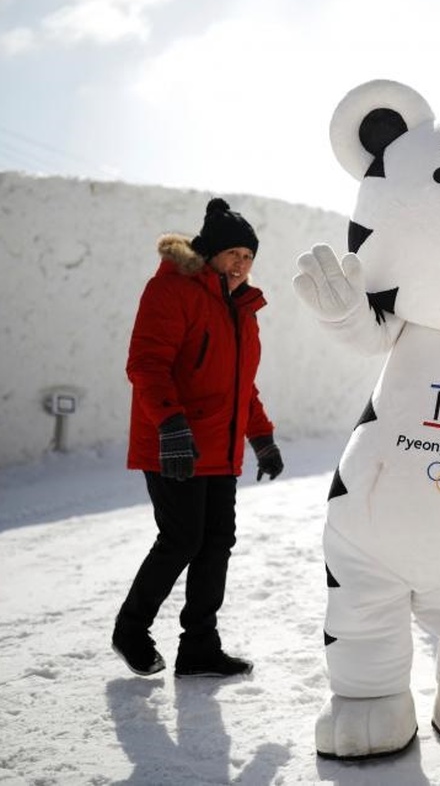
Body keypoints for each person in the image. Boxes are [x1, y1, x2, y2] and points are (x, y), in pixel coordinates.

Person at [112, 197, 285, 679]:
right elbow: (146, 364)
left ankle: (200, 648)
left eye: (249, 256)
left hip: (220, 448)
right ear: (208, 253)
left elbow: (240, 385)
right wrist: (170, 426)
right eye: (233, 253)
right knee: (181, 540)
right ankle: (130, 630)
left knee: (216, 543)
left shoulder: (242, 309)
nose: (242, 263)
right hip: (175, 444)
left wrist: (262, 439)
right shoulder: (171, 290)